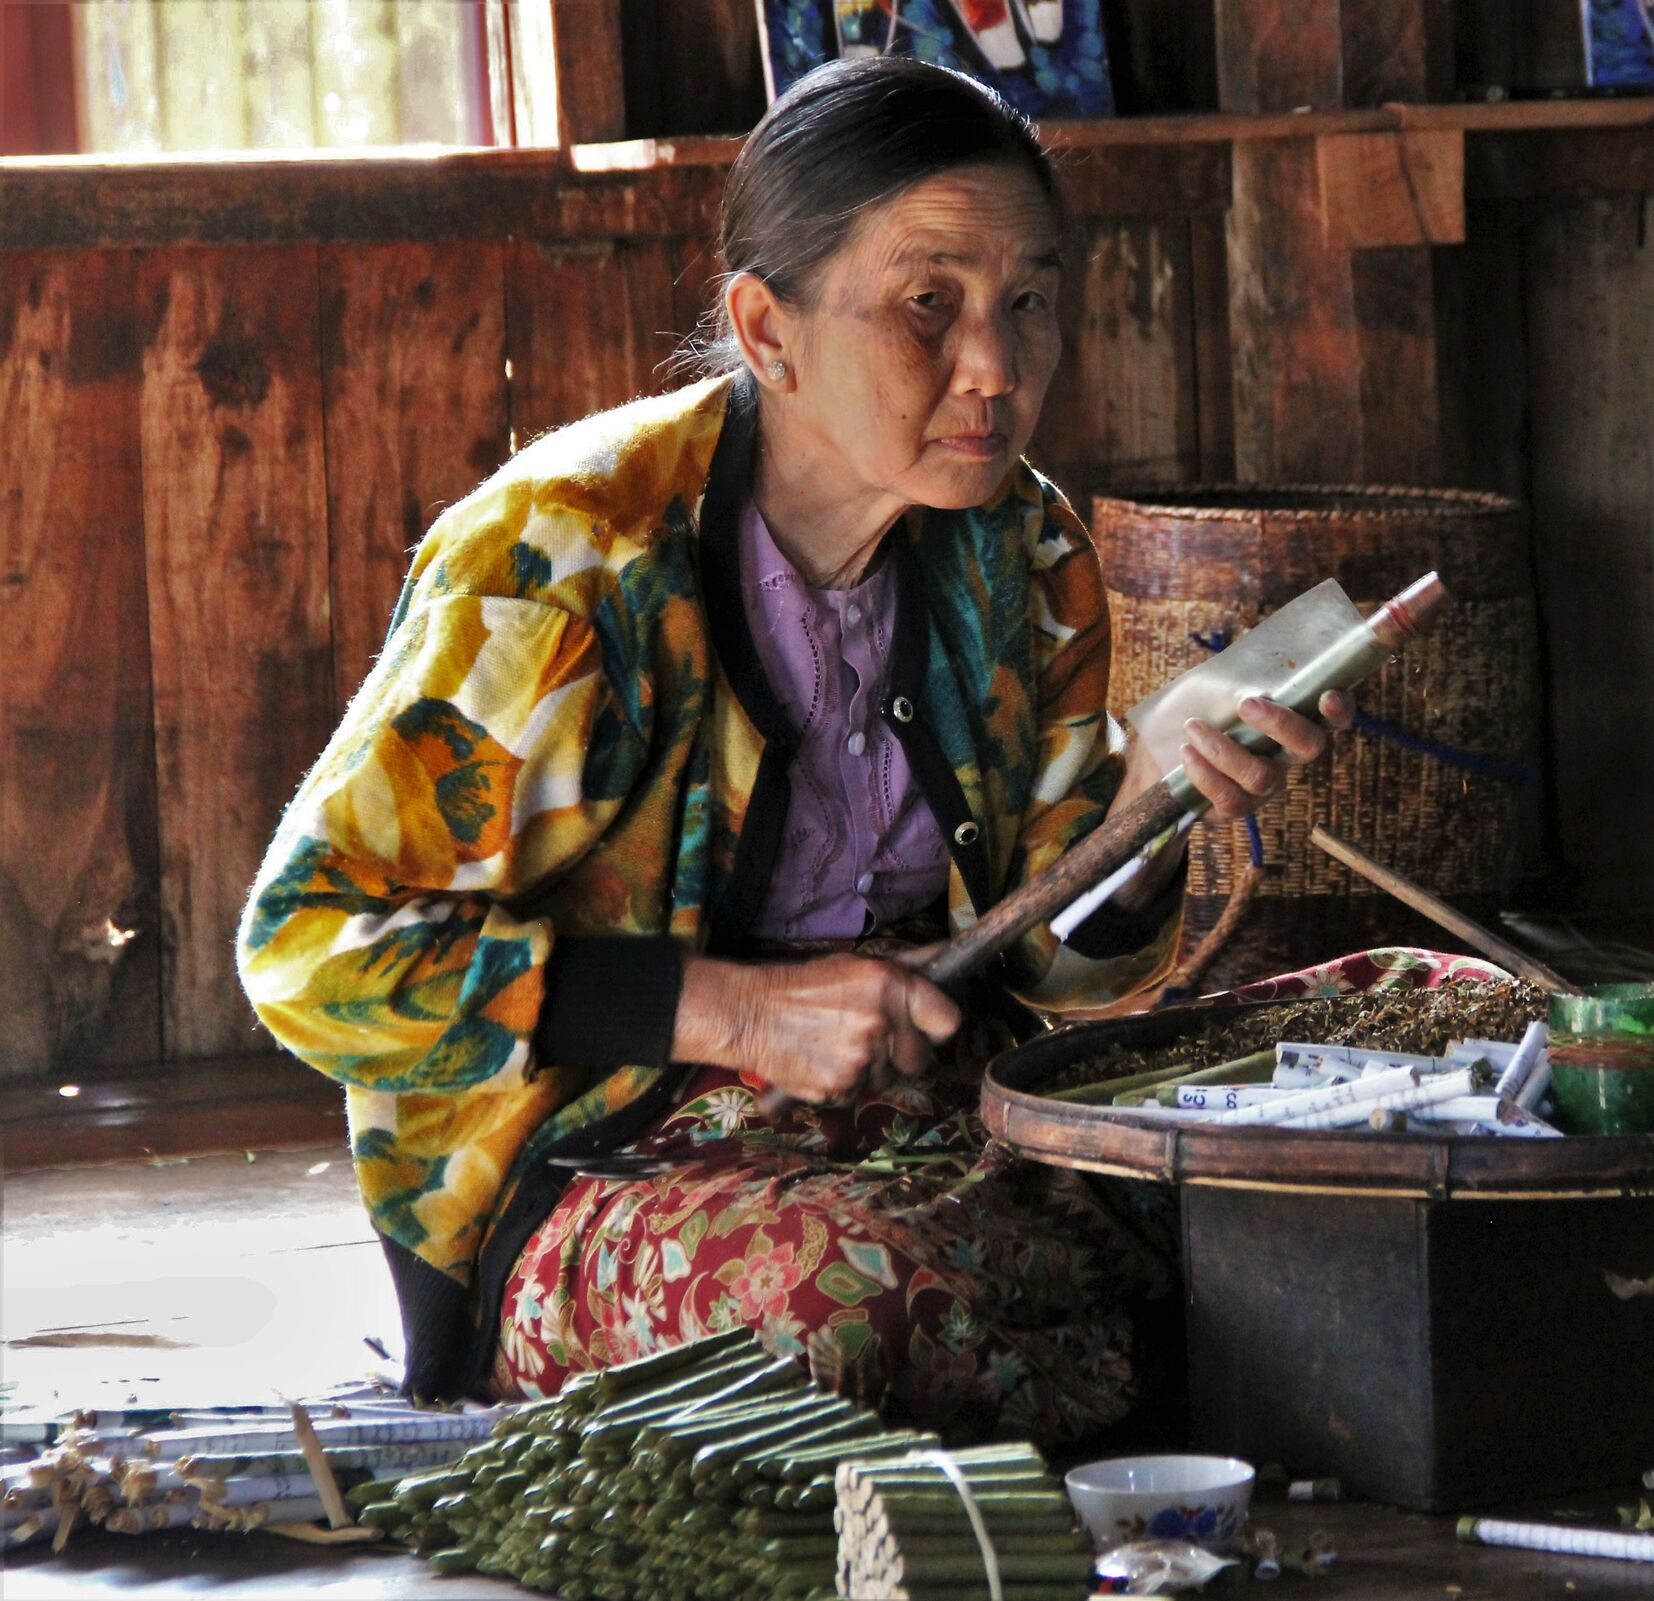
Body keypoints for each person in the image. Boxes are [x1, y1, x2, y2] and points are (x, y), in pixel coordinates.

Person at [237, 57, 1349, 1445]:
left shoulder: (1022, 547)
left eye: (1029, 302)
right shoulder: (565, 564)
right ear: (768, 329)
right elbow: (307, 950)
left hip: (921, 1127)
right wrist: (737, 1015)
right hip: (596, 1171)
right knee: (871, 1310)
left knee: (1331, 1152)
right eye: (927, 305)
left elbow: (1058, 977)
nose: (995, 369)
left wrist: (1152, 799)